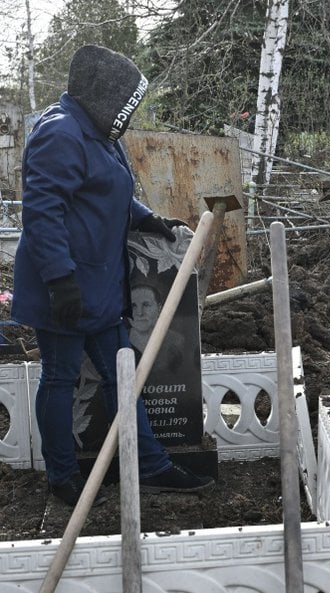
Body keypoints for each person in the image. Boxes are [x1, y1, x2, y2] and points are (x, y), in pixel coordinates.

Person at [12, 45, 214, 506]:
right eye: (126, 101)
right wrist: (60, 280)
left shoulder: (101, 134)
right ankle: (63, 477)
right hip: (64, 288)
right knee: (60, 378)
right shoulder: (60, 133)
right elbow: (42, 214)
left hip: (101, 287)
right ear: (104, 96)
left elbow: (112, 192)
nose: (130, 112)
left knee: (125, 377)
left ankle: (151, 466)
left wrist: (147, 219)